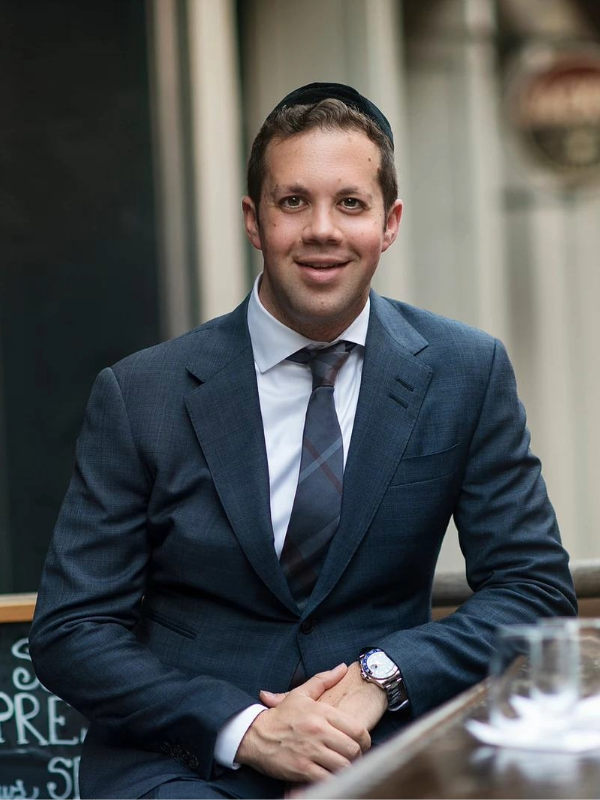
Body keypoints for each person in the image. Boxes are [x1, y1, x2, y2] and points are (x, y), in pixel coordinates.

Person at [30, 83, 577, 799]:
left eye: (350, 203)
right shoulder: (142, 396)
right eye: (294, 202)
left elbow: (534, 588)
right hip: (186, 765)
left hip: (383, 755)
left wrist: (385, 676)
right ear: (255, 221)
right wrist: (242, 728)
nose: (323, 229)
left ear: (389, 222)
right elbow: (72, 631)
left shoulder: (465, 374)